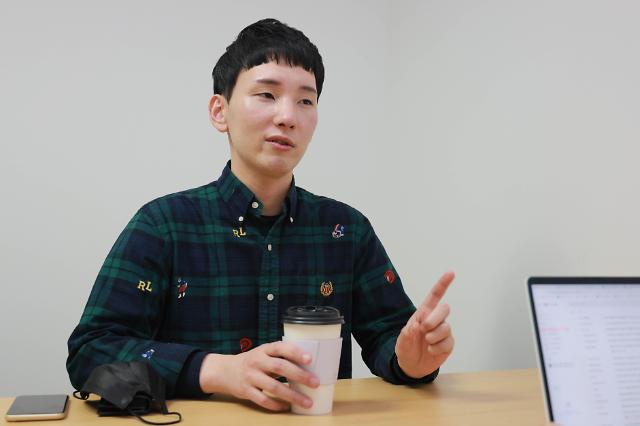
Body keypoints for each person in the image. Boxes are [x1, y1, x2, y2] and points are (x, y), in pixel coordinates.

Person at [67, 18, 455, 412]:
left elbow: (392, 337)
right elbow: (91, 350)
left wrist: (411, 361)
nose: (288, 116)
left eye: (306, 100)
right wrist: (217, 370)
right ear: (220, 111)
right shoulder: (162, 225)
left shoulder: (345, 229)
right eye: (267, 94)